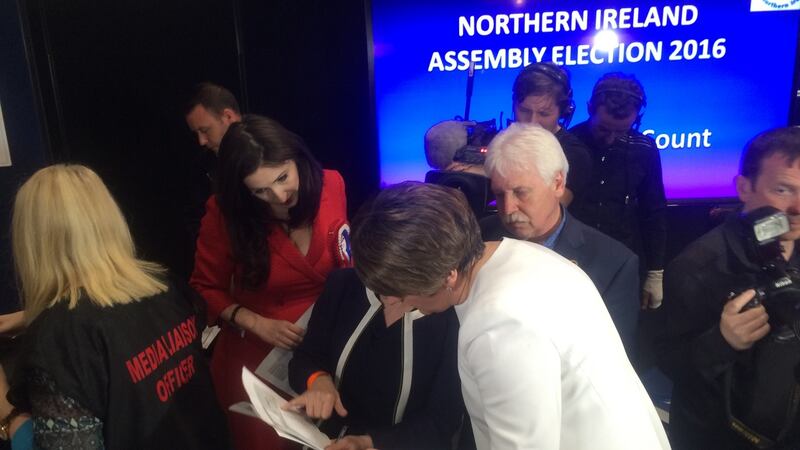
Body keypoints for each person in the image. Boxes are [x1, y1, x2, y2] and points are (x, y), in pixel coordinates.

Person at [350, 181, 670, 449]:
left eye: (398, 289)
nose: (396, 302)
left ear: (447, 275)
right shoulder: (519, 253)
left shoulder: (499, 327)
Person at [7, 164, 229, 449]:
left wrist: (10, 416)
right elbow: (118, 330)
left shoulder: (58, 339)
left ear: (33, 241)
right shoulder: (163, 285)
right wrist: (38, 318)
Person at [190, 115, 351, 450]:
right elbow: (204, 288)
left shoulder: (331, 184)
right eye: (260, 190)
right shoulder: (226, 214)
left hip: (323, 350)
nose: (278, 196)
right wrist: (255, 323)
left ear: (297, 159)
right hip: (259, 358)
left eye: (282, 178)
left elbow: (346, 259)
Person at [658, 127, 800, 450]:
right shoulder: (698, 266)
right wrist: (721, 342)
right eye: (782, 190)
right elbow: (665, 361)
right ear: (743, 188)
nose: (797, 207)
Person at [480, 123, 640, 357]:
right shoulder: (478, 238)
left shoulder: (613, 264)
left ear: (558, 183)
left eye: (521, 192)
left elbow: (611, 362)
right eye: (499, 194)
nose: (507, 207)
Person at [285, 268, 466, 450]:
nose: (392, 299)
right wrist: (317, 380)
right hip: (317, 439)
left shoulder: (451, 319)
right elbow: (305, 358)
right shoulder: (345, 283)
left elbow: (442, 420)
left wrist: (369, 442)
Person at [570, 72, 667, 309]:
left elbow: (653, 213)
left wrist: (655, 272)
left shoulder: (644, 148)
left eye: (621, 131)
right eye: (603, 129)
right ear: (590, 109)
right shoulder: (568, 144)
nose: (611, 138)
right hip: (571, 261)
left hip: (622, 262)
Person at [511, 62, 592, 206]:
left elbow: (546, 213)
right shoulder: (505, 142)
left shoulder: (574, 154)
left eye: (544, 113)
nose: (532, 122)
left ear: (563, 112)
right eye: (524, 111)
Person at [184, 81, 243, 153]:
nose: (202, 142)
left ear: (228, 117)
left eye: (204, 130)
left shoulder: (258, 157)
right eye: (196, 134)